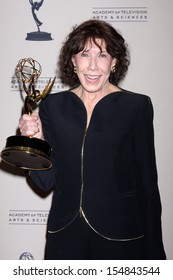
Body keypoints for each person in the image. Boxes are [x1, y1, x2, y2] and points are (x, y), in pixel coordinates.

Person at [19, 19, 166, 260]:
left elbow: (147, 184)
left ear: (115, 62)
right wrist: (34, 140)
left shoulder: (136, 106)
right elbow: (45, 181)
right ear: (73, 61)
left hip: (121, 235)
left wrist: (155, 256)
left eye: (103, 55)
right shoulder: (53, 107)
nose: (93, 66)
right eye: (85, 55)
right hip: (64, 235)